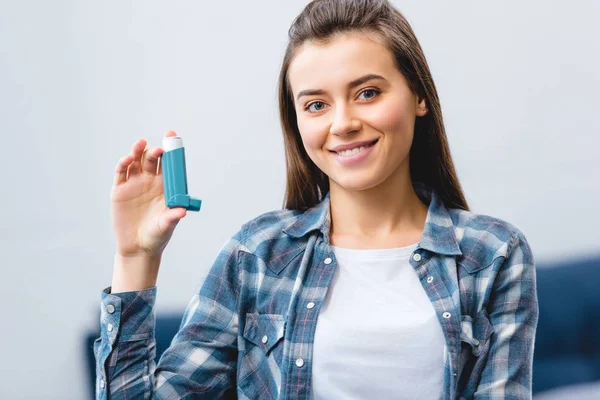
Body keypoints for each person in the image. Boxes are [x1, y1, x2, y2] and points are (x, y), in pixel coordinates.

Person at [95, 0, 539, 399]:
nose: (342, 123)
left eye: (368, 93)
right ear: (297, 122)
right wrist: (135, 255)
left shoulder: (493, 254)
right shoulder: (258, 254)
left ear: (419, 96)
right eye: (316, 105)